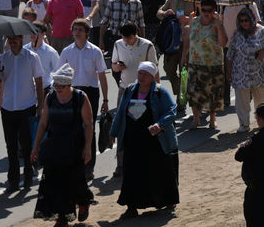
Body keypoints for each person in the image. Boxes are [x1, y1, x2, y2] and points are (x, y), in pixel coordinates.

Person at [108, 61, 179, 219]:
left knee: (159, 171)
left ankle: (167, 201)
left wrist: (159, 125)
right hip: (133, 139)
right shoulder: (129, 90)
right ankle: (131, 207)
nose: (141, 77)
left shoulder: (160, 92)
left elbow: (171, 110)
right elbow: (120, 113)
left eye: (145, 74)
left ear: (152, 76)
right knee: (132, 172)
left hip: (155, 141)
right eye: (140, 73)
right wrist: (113, 132)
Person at [30, 63, 94, 226]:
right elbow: (43, 124)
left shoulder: (80, 97)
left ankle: (83, 202)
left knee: (75, 181)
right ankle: (62, 217)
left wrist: (87, 147)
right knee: (54, 182)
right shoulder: (50, 97)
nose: (58, 88)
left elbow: (88, 123)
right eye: (56, 85)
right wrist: (36, 146)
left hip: (74, 147)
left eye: (61, 86)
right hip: (54, 146)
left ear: (69, 84)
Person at [56, 19, 108, 179]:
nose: (77, 32)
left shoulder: (95, 51)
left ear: (87, 32)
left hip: (90, 92)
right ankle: (73, 162)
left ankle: (88, 167)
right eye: (75, 29)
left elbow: (102, 75)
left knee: (88, 128)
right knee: (71, 128)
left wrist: (106, 100)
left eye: (80, 29)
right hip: (71, 92)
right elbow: (59, 75)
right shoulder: (66, 51)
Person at [0, 33, 44, 191]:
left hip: (27, 106)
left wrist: (41, 105)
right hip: (8, 107)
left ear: (21, 39)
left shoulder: (32, 57)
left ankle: (29, 174)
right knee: (10, 146)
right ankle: (13, 179)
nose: (12, 41)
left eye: (15, 38)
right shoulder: (2, 58)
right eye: (10, 38)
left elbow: (39, 81)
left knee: (26, 145)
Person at [227, 7, 264, 133]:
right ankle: (244, 125)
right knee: (241, 103)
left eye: (246, 20)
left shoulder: (263, 31)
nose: (244, 23)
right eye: (241, 20)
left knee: (262, 101)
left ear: (252, 19)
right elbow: (230, 55)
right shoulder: (237, 34)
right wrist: (228, 73)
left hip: (260, 74)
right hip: (241, 74)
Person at [181, 0, 226, 128]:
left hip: (214, 63)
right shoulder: (194, 21)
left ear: (214, 10)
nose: (206, 13)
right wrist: (184, 55)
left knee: (213, 93)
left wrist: (219, 25)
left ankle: (212, 119)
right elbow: (188, 39)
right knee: (193, 92)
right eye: (203, 9)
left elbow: (223, 43)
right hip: (195, 61)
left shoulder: (217, 23)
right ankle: (196, 119)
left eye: (209, 10)